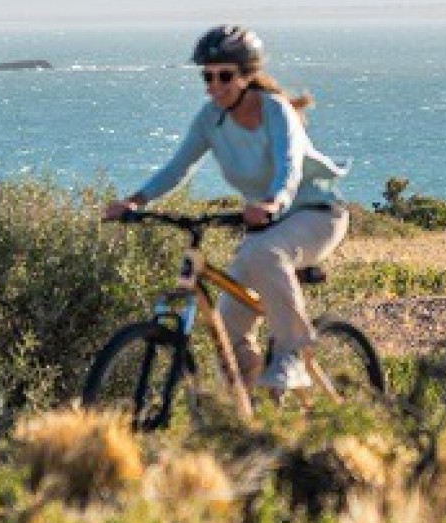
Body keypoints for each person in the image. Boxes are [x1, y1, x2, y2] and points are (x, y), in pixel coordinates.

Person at [103, 25, 348, 392]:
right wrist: (136, 201)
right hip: (267, 226)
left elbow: (289, 167)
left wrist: (274, 202)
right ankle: (245, 419)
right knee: (228, 327)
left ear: (247, 75)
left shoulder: (275, 111)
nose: (214, 85)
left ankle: (293, 355)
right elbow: (177, 167)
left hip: (317, 214)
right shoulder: (210, 119)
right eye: (207, 76)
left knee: (264, 251)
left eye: (224, 76)